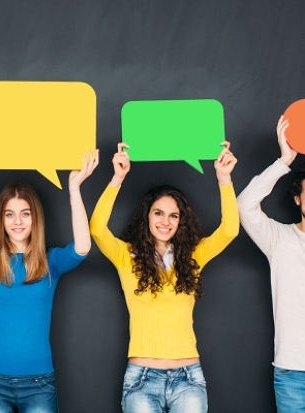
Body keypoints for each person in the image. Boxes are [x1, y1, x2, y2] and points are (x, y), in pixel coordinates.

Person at [0, 144, 98, 413]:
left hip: (39, 383)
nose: (18, 221)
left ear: (34, 218)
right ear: (1, 220)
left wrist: (74, 189)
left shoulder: (51, 262)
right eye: (10, 214)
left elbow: (83, 247)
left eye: (25, 213)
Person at [90, 142, 238, 413]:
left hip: (189, 378)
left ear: (181, 222)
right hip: (141, 379)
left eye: (173, 215)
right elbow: (97, 229)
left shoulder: (193, 256)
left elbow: (229, 230)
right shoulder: (126, 256)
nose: (165, 221)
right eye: (158, 213)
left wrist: (224, 179)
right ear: (147, 216)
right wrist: (117, 178)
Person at [237, 116, 305, 412]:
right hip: (292, 372)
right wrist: (284, 161)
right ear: (298, 199)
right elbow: (245, 205)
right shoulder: (279, 239)